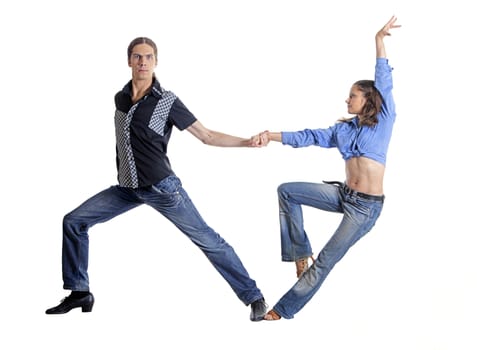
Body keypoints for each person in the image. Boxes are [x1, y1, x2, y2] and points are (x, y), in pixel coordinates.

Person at [45, 37, 268, 321]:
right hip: (127, 189)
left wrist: (246, 142)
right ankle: (80, 292)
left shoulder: (167, 101)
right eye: (137, 57)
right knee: (74, 221)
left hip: (163, 189)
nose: (143, 62)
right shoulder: (121, 99)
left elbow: (207, 136)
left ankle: (254, 297)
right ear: (129, 61)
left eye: (148, 57)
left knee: (209, 240)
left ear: (156, 62)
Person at [256, 16, 401, 320]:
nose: (347, 99)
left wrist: (379, 41)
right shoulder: (343, 131)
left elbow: (383, 79)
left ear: (368, 99)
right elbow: (308, 136)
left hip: (365, 210)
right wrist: (273, 136)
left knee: (325, 261)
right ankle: (298, 251)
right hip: (344, 195)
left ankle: (283, 309)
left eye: (353, 95)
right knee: (287, 192)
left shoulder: (384, 119)